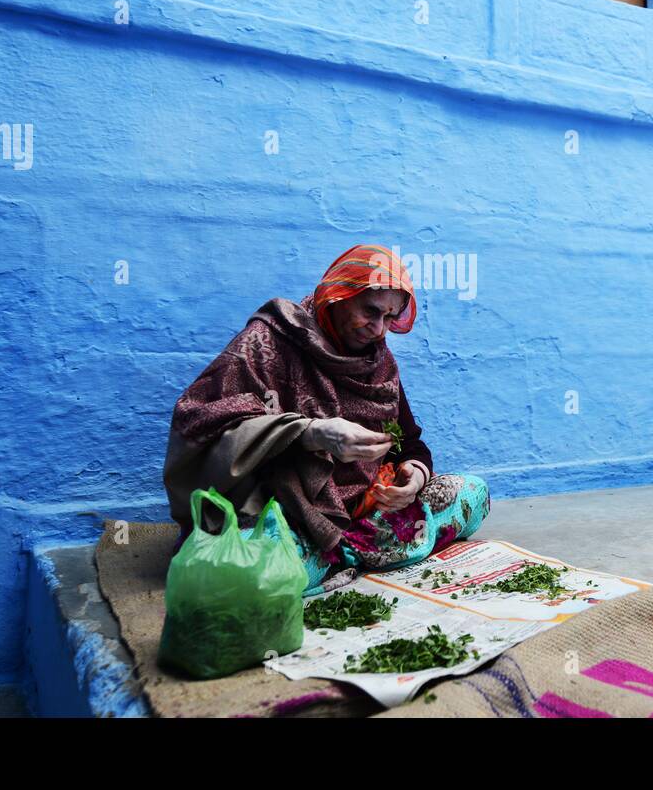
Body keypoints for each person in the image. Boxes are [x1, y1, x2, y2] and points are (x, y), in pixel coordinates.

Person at [162, 243, 489, 595]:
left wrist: (414, 475)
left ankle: (339, 553)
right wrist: (311, 434)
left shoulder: (376, 364)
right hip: (289, 514)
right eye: (371, 311)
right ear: (338, 292)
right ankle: (345, 551)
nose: (379, 330)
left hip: (364, 511)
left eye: (390, 318)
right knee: (235, 577)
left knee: (472, 492)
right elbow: (200, 422)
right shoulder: (269, 341)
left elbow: (408, 441)